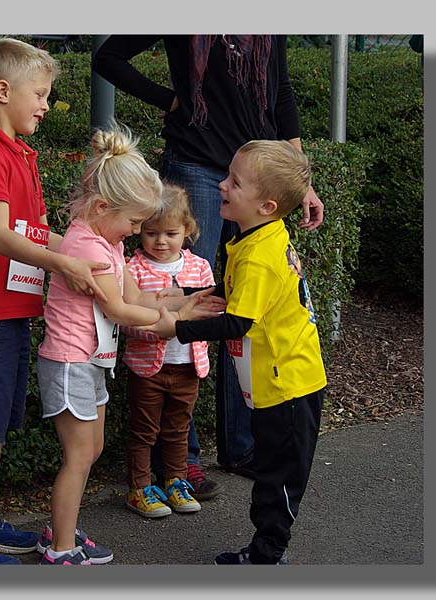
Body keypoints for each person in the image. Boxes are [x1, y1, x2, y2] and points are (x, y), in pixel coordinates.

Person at [93, 35, 325, 494]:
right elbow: (109, 57)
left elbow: (280, 91)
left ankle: (243, 445)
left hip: (258, 177)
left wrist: (301, 181)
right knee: (194, 296)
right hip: (199, 163)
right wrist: (173, 101)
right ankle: (182, 463)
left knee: (240, 312)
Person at [0, 37, 112, 566]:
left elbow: (37, 233)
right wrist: (64, 265)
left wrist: (88, 256)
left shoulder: (17, 153)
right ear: (3, 91)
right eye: (41, 94)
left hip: (9, 313)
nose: (46, 105)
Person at [35, 122, 226, 565]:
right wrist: (175, 322)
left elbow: (138, 296)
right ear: (103, 207)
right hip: (70, 361)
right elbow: (122, 309)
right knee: (80, 455)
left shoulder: (105, 240)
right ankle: (60, 547)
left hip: (90, 361)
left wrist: (185, 301)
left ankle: (61, 531)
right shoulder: (90, 246)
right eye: (135, 223)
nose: (137, 230)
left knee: (92, 448)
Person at [145, 140, 326, 564]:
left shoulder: (260, 256)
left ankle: (266, 557)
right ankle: (266, 552)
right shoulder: (258, 235)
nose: (222, 184)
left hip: (289, 388)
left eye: (234, 182)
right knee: (272, 473)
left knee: (277, 481)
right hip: (277, 383)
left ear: (265, 205)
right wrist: (185, 294)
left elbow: (237, 321)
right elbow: (234, 295)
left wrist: (178, 326)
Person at [120, 184, 215, 519]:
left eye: (170, 233)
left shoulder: (200, 268)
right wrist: (161, 326)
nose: (160, 241)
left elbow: (209, 316)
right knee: (145, 430)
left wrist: (187, 323)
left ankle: (175, 480)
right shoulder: (131, 270)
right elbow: (124, 322)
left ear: (187, 230)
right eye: (151, 233)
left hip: (188, 366)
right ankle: (140, 488)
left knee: (178, 428)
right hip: (148, 368)